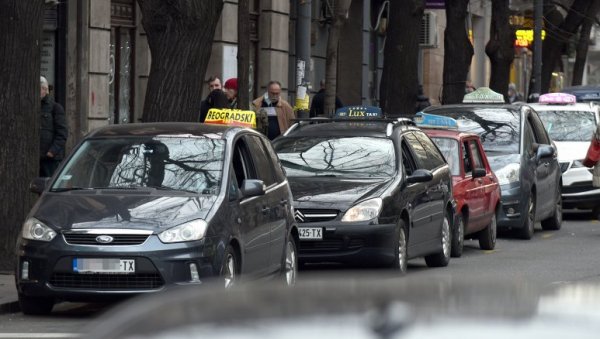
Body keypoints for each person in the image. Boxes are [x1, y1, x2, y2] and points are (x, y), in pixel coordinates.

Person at [40, 76, 68, 177]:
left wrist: (52, 152)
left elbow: (62, 132)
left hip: (50, 160)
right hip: (37, 157)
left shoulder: (55, 107)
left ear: (45, 89)